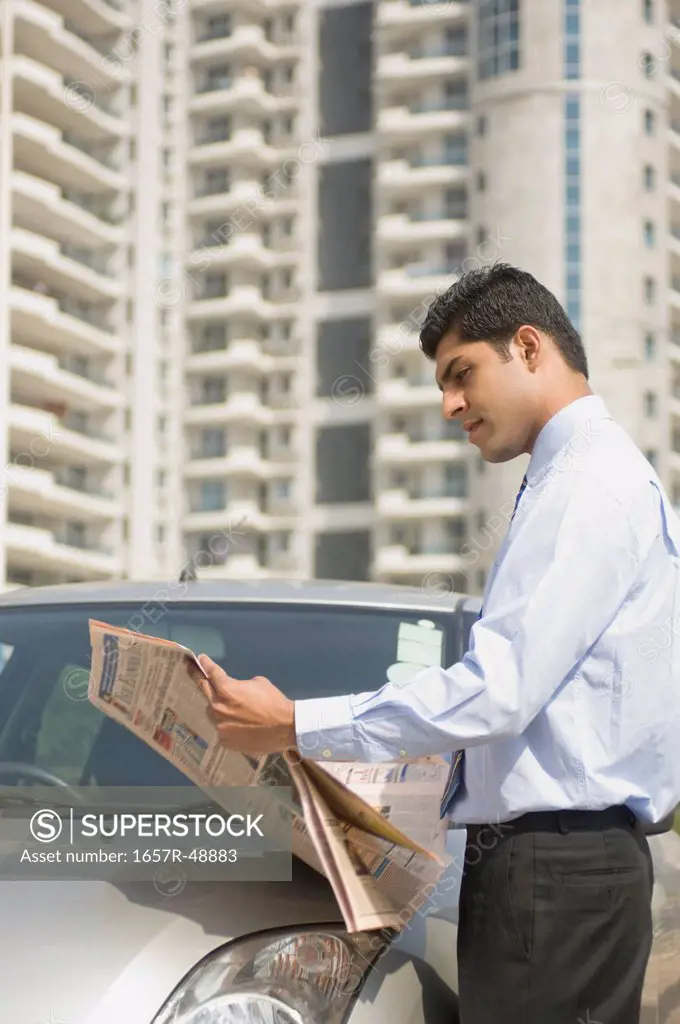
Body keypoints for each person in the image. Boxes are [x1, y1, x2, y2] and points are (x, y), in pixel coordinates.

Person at [188, 263, 680, 1023]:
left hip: (554, 875)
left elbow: (500, 691)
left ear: (527, 347)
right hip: (557, 872)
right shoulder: (584, 478)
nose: (451, 405)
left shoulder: (587, 485)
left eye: (461, 374)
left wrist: (294, 724)